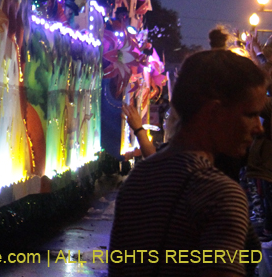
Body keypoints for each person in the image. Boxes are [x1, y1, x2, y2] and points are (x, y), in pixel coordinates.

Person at [109, 50, 267, 276]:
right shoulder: (219, 194)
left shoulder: (139, 178)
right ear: (214, 112)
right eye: (250, 115)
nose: (259, 128)